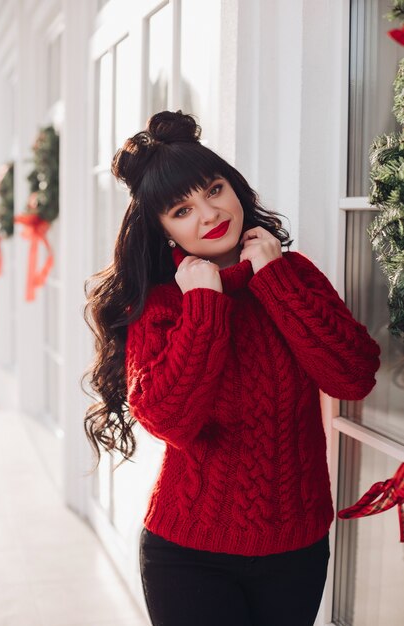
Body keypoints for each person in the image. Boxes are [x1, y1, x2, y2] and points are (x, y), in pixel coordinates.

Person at [83, 110, 380, 626]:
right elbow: (169, 421)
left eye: (214, 189)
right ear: (163, 228)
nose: (209, 213)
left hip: (297, 546)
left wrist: (274, 279)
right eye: (182, 208)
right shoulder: (162, 305)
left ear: (234, 187)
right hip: (188, 554)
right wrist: (202, 306)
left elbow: (352, 376)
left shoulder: (293, 276)